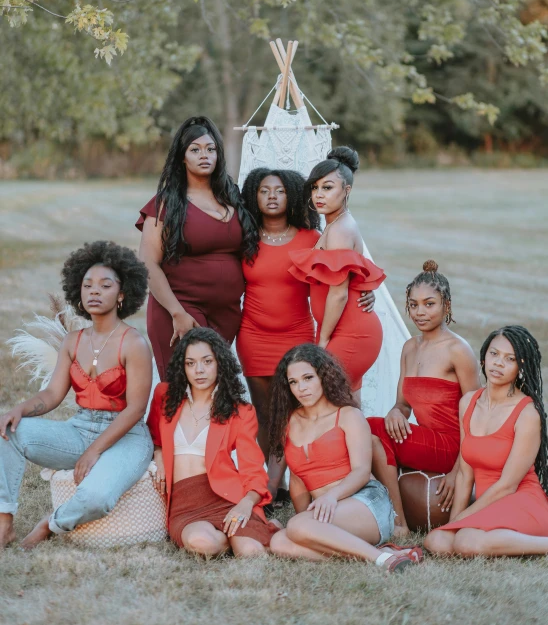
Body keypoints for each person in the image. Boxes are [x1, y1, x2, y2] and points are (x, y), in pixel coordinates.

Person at [0, 241, 153, 549]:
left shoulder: (134, 343)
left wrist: (94, 450)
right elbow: (53, 394)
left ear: (122, 294)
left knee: (98, 496)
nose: (94, 291)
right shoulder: (73, 341)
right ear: (78, 292)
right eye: (88, 285)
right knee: (7, 432)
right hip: (80, 429)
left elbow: (135, 409)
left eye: (105, 285)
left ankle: (51, 523)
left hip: (127, 435)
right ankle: (4, 523)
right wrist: (19, 410)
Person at [237, 167, 375, 501]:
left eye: (280, 190)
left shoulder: (313, 237)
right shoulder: (245, 238)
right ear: (254, 195)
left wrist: (363, 291)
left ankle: (284, 484)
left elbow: (349, 269)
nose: (272, 196)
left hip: (298, 338)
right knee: (265, 415)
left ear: (293, 196)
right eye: (265, 190)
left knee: (296, 413)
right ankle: (273, 485)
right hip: (253, 336)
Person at [268, 344, 423, 572]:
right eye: (293, 382)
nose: (301, 388)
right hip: (328, 511)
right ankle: (380, 553)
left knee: (296, 527)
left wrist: (330, 498)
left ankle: (385, 561)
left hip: (365, 502)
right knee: (279, 542)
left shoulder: (348, 415)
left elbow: (361, 471)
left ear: (323, 375)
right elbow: (299, 478)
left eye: (308, 378)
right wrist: (307, 523)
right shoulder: (289, 422)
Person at [136, 116, 257, 379]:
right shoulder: (166, 203)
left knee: (215, 392)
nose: (205, 155)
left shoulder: (232, 197)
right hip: (180, 310)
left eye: (210, 149)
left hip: (226, 314)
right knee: (183, 390)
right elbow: (147, 263)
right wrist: (177, 312)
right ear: (182, 157)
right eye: (195, 150)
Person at [367, 261, 480, 536]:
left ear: (446, 305)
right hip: (425, 438)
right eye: (414, 304)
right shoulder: (409, 348)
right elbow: (403, 404)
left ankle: (398, 522)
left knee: (369, 427)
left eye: (429, 304)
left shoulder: (458, 350)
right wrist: (395, 412)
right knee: (369, 428)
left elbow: (478, 415)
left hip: (452, 446)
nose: (420, 312)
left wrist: (458, 472)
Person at [147, 327, 278, 557]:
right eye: (191, 363)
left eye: (207, 361)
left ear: (220, 364)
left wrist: (246, 503)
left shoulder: (240, 411)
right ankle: (235, 535)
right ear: (182, 367)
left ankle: (246, 532)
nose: (199, 370)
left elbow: (252, 468)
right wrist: (158, 455)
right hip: (184, 503)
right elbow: (153, 437)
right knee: (203, 543)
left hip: (226, 497)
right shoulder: (164, 396)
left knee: (251, 552)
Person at [425, 326, 548, 557]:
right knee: (437, 541)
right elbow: (464, 473)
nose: (498, 363)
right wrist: (453, 523)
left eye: (509, 359)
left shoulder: (527, 413)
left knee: (466, 542)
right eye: (494, 354)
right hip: (488, 504)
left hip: (520, 501)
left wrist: (464, 520)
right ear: (483, 357)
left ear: (521, 366)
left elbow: (507, 485)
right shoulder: (469, 403)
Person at [288, 147, 385, 398]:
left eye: (327, 187)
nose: (319, 195)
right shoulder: (334, 225)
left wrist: (322, 342)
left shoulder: (341, 229)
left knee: (329, 404)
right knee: (347, 406)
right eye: (315, 187)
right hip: (342, 328)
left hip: (349, 332)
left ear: (347, 190)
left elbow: (339, 293)